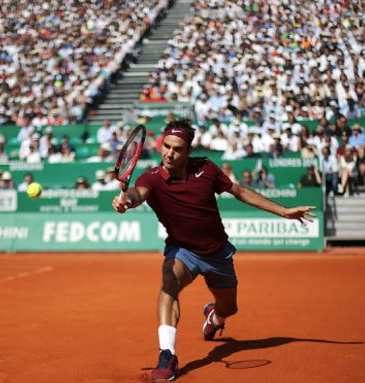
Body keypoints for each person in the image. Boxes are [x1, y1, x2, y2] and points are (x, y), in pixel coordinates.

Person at [111, 118, 315, 382]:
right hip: (183, 251)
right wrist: (125, 201)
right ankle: (167, 354)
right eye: (166, 146)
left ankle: (214, 316)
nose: (170, 153)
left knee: (229, 308)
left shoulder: (206, 168)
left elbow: (239, 191)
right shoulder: (150, 178)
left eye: (177, 149)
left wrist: (284, 211)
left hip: (218, 253)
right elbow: (138, 194)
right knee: (169, 282)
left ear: (188, 152)